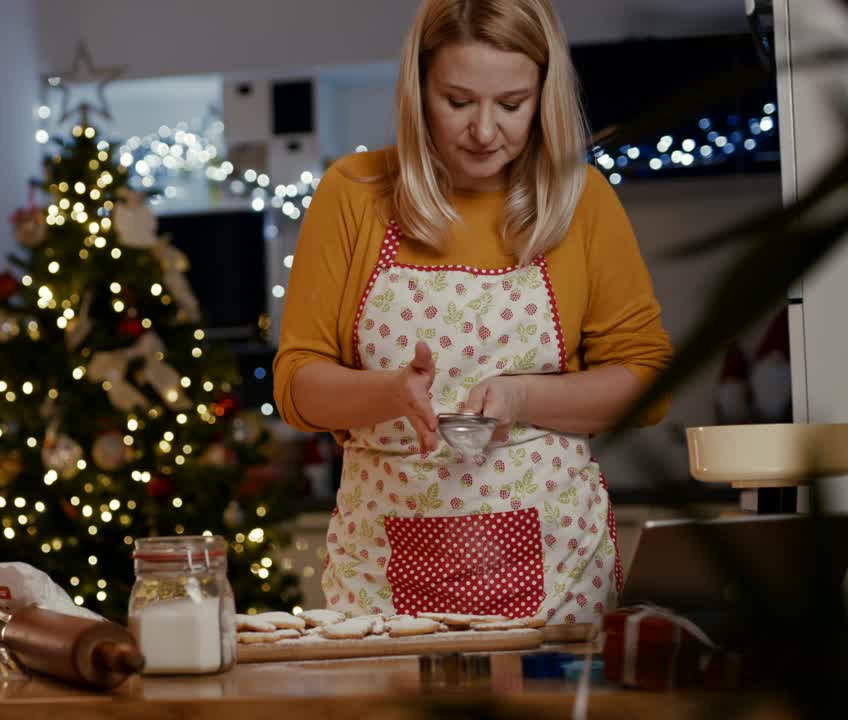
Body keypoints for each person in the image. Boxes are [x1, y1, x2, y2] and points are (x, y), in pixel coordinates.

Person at [273, 0, 673, 625]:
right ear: (418, 90)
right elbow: (297, 385)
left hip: (556, 574)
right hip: (383, 579)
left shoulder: (580, 200)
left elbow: (648, 382)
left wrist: (521, 400)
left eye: (511, 104)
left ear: (543, 95)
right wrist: (389, 393)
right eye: (458, 101)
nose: (485, 131)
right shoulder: (354, 194)